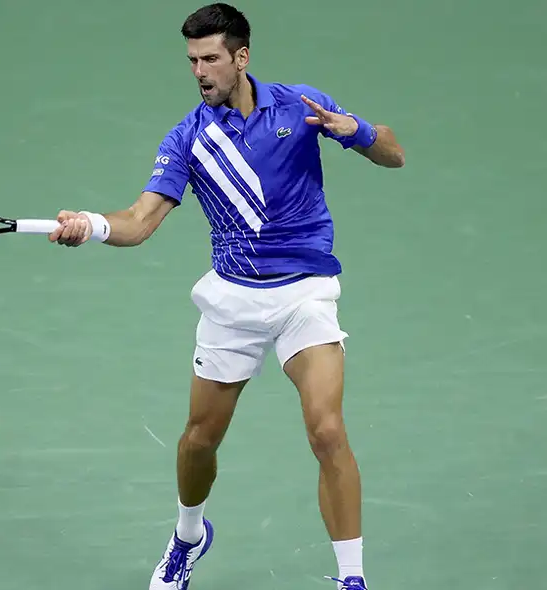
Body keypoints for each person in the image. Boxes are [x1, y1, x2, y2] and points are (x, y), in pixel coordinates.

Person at [48, 3, 405, 588]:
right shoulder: (189, 138)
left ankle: (352, 579)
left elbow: (394, 152)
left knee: (327, 431)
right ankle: (188, 536)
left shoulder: (300, 105)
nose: (199, 71)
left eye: (210, 58)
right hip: (233, 303)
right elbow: (139, 221)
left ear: (242, 58)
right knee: (198, 441)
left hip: (304, 295)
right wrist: (92, 225)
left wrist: (357, 132)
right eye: (192, 60)